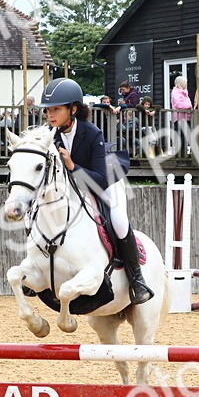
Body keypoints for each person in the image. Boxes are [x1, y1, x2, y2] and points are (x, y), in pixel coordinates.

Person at [39, 77, 153, 305]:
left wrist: (72, 166)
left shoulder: (92, 134)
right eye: (48, 110)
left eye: (56, 109)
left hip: (104, 182)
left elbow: (99, 180)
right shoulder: (49, 135)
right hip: (70, 187)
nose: (50, 115)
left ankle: (136, 278)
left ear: (73, 109)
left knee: (119, 220)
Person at [170, 75, 193, 154]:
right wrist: (189, 106)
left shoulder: (184, 92)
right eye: (185, 82)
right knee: (181, 137)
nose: (187, 83)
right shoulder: (176, 92)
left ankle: (184, 154)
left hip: (186, 117)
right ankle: (181, 155)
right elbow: (178, 105)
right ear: (180, 83)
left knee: (186, 136)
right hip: (180, 117)